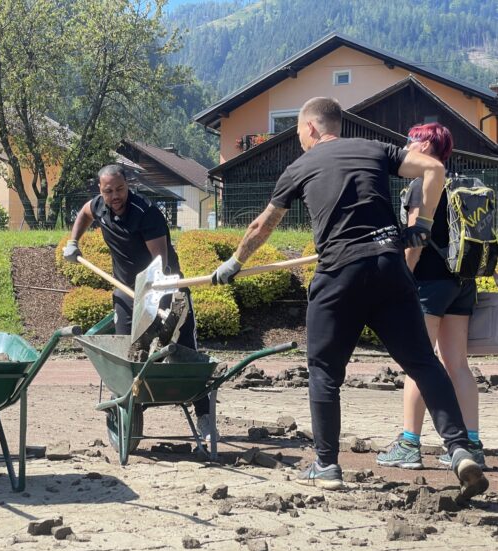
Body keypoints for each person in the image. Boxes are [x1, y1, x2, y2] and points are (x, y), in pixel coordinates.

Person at [211, 97, 488, 499]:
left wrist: (234, 262)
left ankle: (326, 464)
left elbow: (263, 223)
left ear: (309, 129)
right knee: (424, 363)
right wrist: (422, 224)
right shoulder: (374, 149)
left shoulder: (300, 167)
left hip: (339, 273)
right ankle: (460, 449)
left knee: (324, 371)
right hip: (389, 268)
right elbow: (434, 168)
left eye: (299, 134)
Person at [63, 164, 217, 441]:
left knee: (184, 353)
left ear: (127, 185)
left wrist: (155, 298)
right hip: (126, 291)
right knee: (127, 356)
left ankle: (204, 417)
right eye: (108, 191)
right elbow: (85, 212)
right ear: (101, 190)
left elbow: (160, 264)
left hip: (165, 287)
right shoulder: (99, 206)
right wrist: (74, 241)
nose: (115, 196)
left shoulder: (147, 214)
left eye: (120, 189)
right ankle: (131, 411)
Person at [377, 123, 485, 469]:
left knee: (418, 361)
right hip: (462, 282)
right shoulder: (462, 185)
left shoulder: (422, 184)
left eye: (412, 139)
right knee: (458, 365)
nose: (407, 144)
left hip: (428, 285)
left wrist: (400, 278)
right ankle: (473, 443)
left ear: (426, 146)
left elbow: (415, 241)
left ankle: (409, 444)